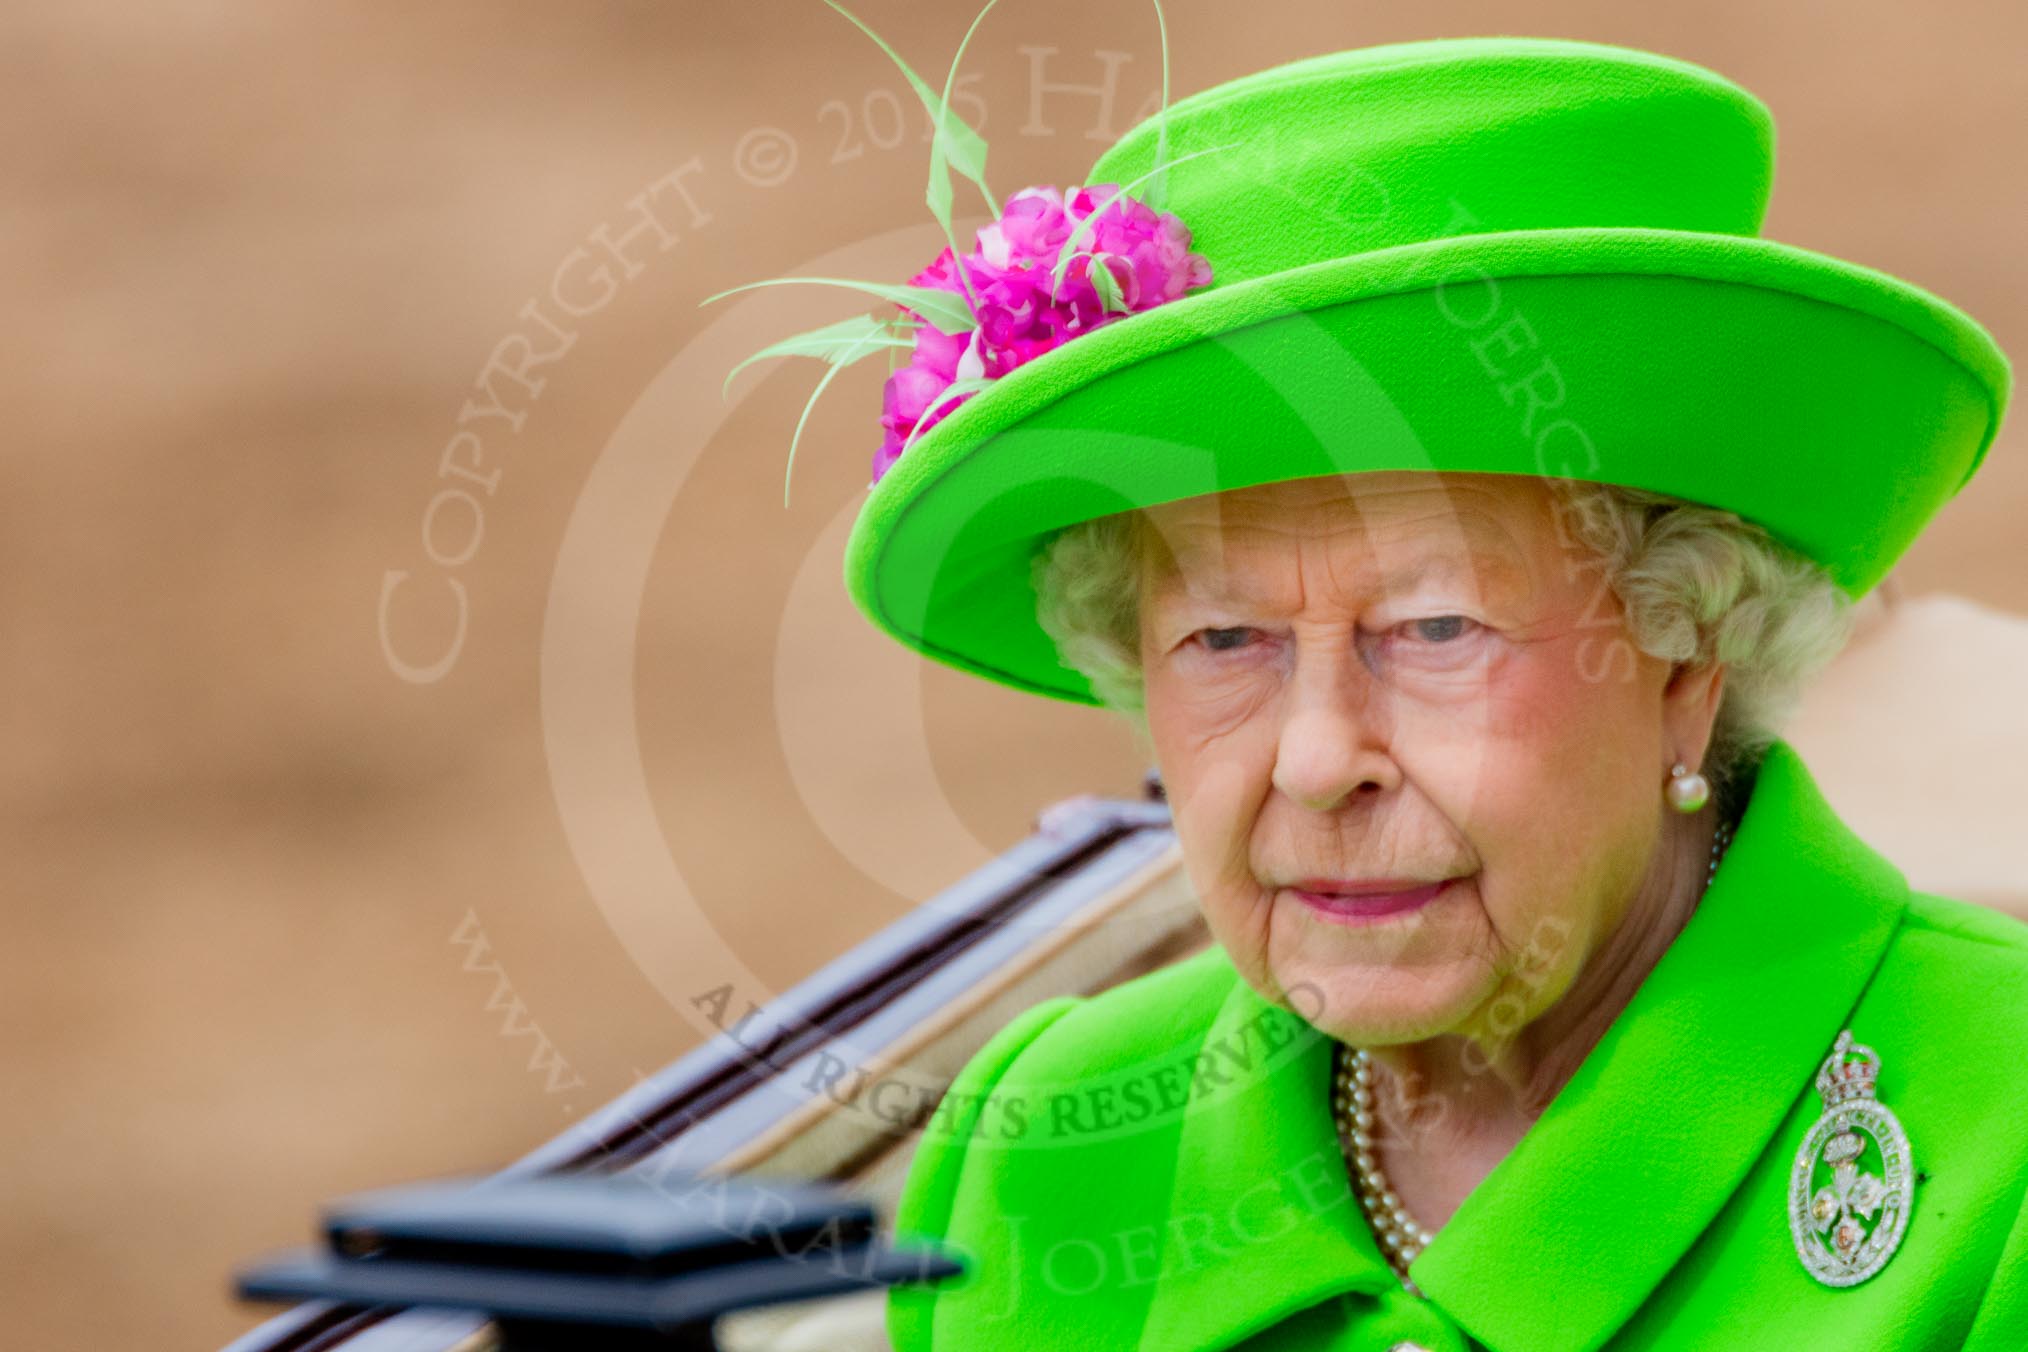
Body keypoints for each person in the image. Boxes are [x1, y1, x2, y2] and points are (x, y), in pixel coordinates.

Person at [737, 29, 2027, 1351]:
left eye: (1432, 628)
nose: (1313, 761)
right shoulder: (1050, 1143)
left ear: (1688, 655)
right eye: (1225, 640)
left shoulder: (2002, 1144)